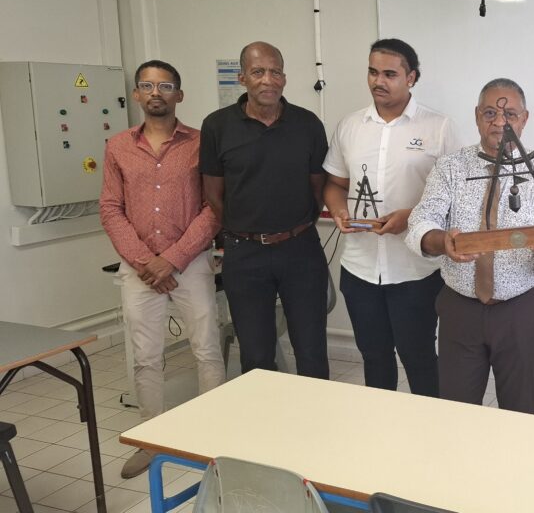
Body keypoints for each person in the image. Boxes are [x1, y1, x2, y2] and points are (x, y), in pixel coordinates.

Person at [406, 78, 534, 414]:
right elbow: (420, 222)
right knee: (457, 412)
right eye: (490, 113)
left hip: (521, 310)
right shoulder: (450, 167)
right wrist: (442, 241)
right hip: (460, 309)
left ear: (525, 119)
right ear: (477, 115)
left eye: (510, 114)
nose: (500, 122)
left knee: (519, 412)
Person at [99, 60, 224, 479]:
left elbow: (213, 208)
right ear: (136, 94)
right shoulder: (118, 146)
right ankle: (150, 440)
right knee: (145, 356)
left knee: (207, 349)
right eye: (148, 86)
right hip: (139, 269)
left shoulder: (202, 143)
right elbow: (110, 208)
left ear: (179, 95)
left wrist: (172, 258)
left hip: (190, 262)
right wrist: (144, 261)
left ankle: (213, 440)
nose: (156, 93)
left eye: (166, 86)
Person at [323, 39, 458, 396]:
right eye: (372, 72)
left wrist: (411, 218)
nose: (378, 81)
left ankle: (428, 426)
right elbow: (335, 184)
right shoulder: (350, 125)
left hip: (415, 271)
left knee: (419, 358)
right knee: (374, 358)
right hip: (360, 268)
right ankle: (380, 426)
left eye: (389, 74)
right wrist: (338, 209)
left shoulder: (438, 127)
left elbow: (457, 198)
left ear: (411, 77)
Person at [199, 41, 330, 379]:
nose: (268, 80)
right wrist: (246, 229)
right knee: (256, 357)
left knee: (312, 351)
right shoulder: (216, 126)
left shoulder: (308, 124)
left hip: (300, 250)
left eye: (275, 72)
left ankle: (318, 414)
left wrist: (293, 228)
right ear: (242, 78)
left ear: (284, 78)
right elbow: (213, 193)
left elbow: (319, 189)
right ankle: (265, 414)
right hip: (245, 254)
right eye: (258, 72)